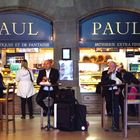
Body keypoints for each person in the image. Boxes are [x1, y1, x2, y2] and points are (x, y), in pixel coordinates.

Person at [101, 61, 123, 131]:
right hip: (108, 92)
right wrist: (108, 73)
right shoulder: (105, 73)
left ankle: (116, 125)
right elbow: (103, 82)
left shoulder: (118, 73)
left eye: (113, 66)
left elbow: (121, 83)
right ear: (109, 66)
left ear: (115, 66)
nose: (112, 67)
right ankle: (111, 124)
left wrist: (119, 90)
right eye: (111, 66)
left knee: (116, 108)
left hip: (116, 92)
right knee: (110, 108)